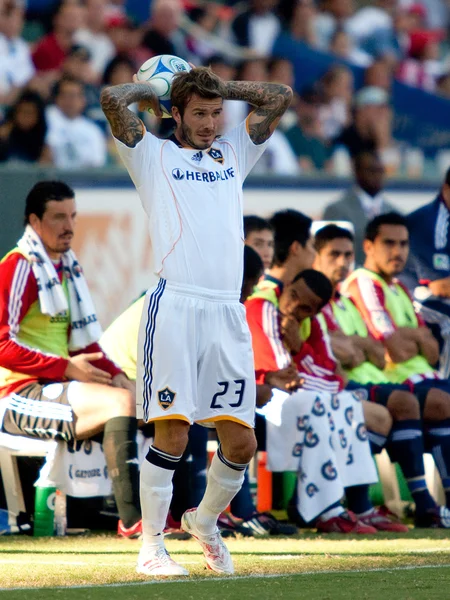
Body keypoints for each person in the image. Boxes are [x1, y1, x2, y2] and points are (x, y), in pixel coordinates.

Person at [100, 64, 293, 575]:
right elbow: (112, 99)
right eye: (200, 113)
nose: (210, 122)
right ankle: (151, 549)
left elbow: (279, 95)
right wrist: (159, 89)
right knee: (174, 435)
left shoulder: (233, 152)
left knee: (241, 441)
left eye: (215, 113)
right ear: (176, 114)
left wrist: (218, 88)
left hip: (227, 312)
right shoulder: (152, 154)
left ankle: (204, 522)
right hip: (176, 307)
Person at [0, 181, 142, 538]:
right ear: (34, 220)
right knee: (121, 402)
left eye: (74, 216)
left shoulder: (64, 267)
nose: (69, 226)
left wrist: (117, 374)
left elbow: (81, 344)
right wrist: (65, 368)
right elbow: (2, 344)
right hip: (15, 395)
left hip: (53, 386)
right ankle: (133, 521)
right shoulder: (19, 267)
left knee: (145, 400)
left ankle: (161, 513)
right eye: (59, 217)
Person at [314, 224, 450, 528]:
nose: (342, 261)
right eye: (334, 254)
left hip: (379, 379)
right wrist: (364, 347)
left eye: (403, 243)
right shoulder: (356, 285)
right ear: (370, 246)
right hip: (359, 384)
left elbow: (381, 350)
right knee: (414, 404)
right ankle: (407, 503)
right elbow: (385, 351)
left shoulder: (359, 297)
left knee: (409, 404)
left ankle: (400, 505)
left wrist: (360, 346)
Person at [246, 267, 386, 533]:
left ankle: (358, 505)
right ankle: (323, 509)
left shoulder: (312, 323)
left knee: (346, 402)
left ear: (315, 312)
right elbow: (283, 376)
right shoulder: (264, 306)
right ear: (286, 285)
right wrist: (300, 368)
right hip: (255, 400)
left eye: (304, 307)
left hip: (287, 399)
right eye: (293, 295)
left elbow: (334, 377)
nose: (293, 306)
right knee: (317, 405)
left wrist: (299, 346)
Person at [406, 168, 450, 379]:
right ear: (446, 190)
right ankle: (445, 388)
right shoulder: (432, 223)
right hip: (411, 294)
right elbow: (441, 286)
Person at [322, 150, 395, 266]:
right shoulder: (337, 210)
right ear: (357, 172)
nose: (377, 176)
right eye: (371, 171)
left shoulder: (394, 212)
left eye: (380, 171)